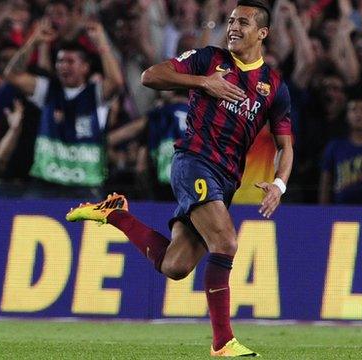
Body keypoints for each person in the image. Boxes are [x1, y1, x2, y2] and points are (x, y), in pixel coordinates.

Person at [66, 0, 292, 356]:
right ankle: (223, 342)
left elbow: (285, 145)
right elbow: (150, 76)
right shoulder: (208, 59)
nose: (233, 27)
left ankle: (115, 214)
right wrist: (204, 83)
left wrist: (279, 184)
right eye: (231, 21)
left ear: (262, 33)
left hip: (227, 178)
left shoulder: (274, 87)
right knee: (226, 243)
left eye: (243, 23)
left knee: (176, 265)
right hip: (194, 162)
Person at [4, 19, 123, 199]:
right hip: (45, 185)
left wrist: (102, 43)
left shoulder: (96, 94)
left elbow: (116, 82)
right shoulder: (47, 89)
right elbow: (12, 75)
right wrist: (33, 42)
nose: (63, 66)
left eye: (70, 61)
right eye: (60, 61)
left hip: (86, 187)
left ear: (85, 67)